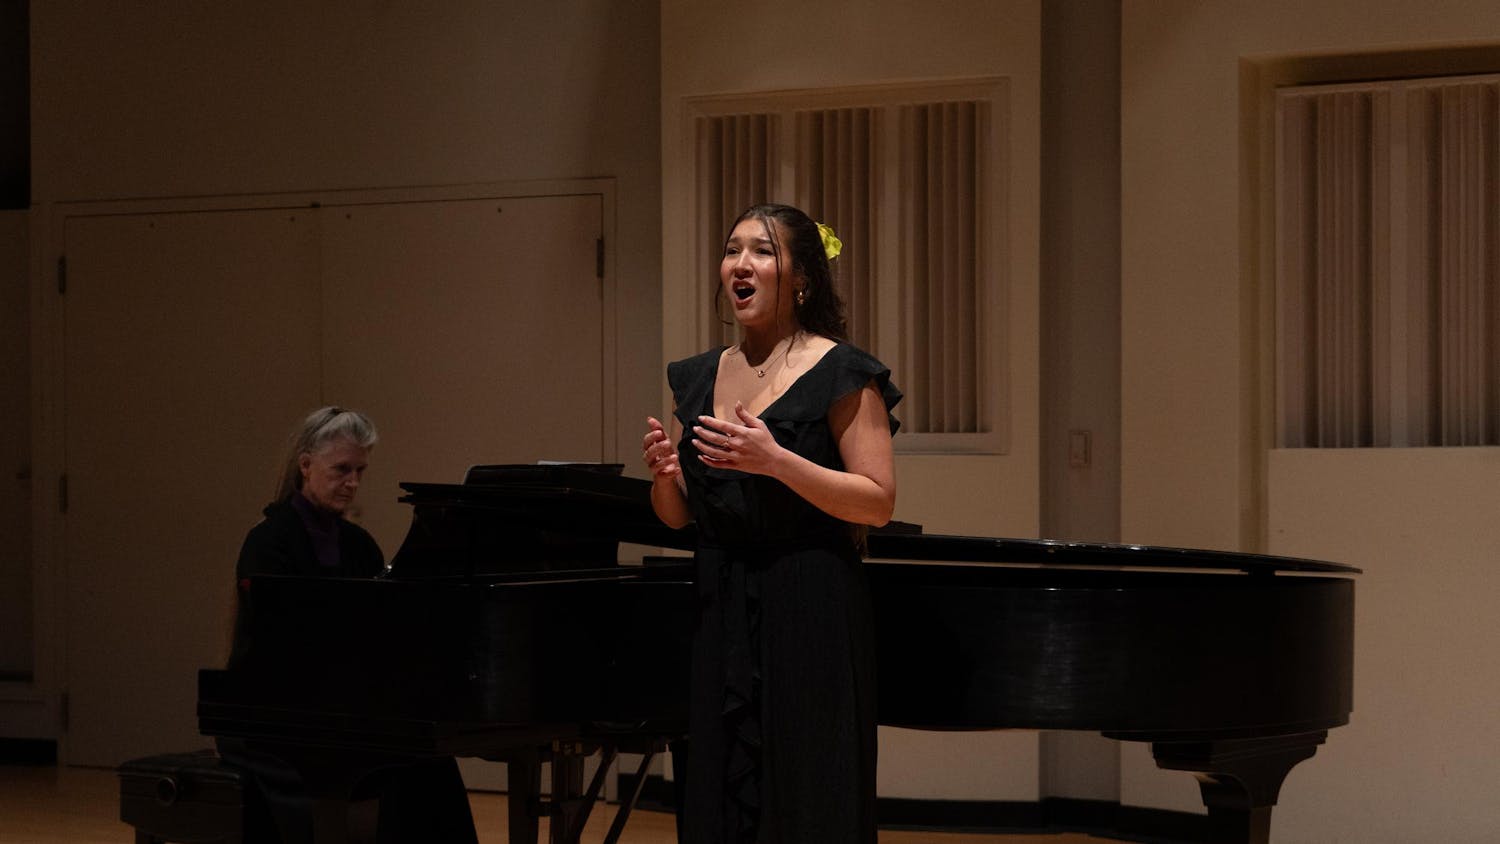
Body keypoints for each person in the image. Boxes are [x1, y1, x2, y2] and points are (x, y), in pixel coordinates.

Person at [642, 204, 901, 843]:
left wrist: (777, 462)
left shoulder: (843, 370)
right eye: (733, 250)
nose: (741, 263)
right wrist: (665, 476)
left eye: (762, 251)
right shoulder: (698, 376)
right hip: (720, 601)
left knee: (810, 788)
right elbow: (679, 518)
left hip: (810, 602)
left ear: (802, 279)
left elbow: (876, 501)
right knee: (718, 785)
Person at [222, 406, 478, 844]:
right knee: (380, 762)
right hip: (274, 715)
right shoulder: (268, 543)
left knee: (429, 761)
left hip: (339, 706)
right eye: (342, 469)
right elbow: (277, 645)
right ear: (306, 465)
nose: (353, 482)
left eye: (360, 470)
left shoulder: (359, 545)